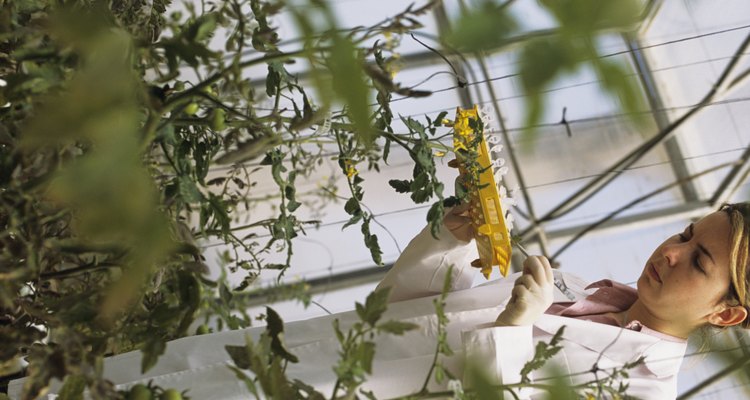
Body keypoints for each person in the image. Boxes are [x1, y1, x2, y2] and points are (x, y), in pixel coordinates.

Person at [8, 203, 750, 400]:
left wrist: (516, 330)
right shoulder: (581, 291)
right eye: (686, 233)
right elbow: (404, 306)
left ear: (727, 313)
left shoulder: (642, 390)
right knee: (122, 383)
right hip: (313, 353)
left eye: (700, 259)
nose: (672, 251)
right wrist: (447, 240)